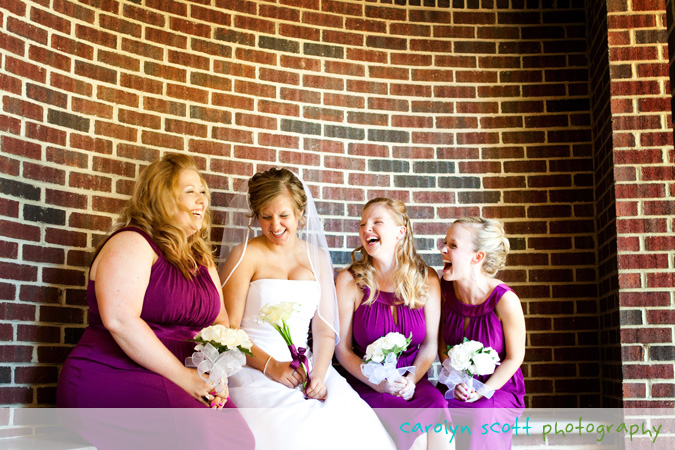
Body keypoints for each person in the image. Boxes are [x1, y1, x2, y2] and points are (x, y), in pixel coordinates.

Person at [56, 153, 254, 449]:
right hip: (114, 372)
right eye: (190, 192)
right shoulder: (131, 242)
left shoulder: (200, 257)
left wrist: (217, 369)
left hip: (184, 376)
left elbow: (220, 321)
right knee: (206, 439)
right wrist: (185, 378)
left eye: (203, 192)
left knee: (240, 439)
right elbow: (120, 320)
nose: (202, 200)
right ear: (162, 196)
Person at [219, 168, 395, 450]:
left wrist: (319, 375)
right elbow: (228, 330)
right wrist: (270, 366)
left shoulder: (317, 257)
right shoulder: (245, 255)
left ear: (300, 213)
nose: (275, 226)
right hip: (254, 368)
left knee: (357, 431)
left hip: (308, 365)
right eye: (266, 217)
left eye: (283, 215)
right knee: (294, 436)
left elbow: (324, 329)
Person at [335, 198, 452, 450]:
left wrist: (411, 379)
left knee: (442, 423)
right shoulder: (348, 281)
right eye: (363, 224)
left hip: (413, 382)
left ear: (401, 231)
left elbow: (431, 343)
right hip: (368, 383)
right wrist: (380, 383)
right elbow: (342, 350)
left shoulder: (427, 278)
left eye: (377, 222)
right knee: (417, 437)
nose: (367, 229)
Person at [437, 217, 526, 449]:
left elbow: (515, 357)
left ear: (477, 257)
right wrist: (456, 382)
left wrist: (482, 390)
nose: (443, 249)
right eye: (445, 243)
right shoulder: (444, 291)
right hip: (456, 385)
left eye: (453, 246)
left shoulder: (505, 300)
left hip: (498, 387)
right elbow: (442, 346)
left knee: (481, 417)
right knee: (434, 412)